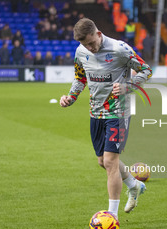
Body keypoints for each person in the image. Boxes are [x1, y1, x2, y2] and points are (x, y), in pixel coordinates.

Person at [59, 18, 152, 217]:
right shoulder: (80, 52)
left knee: (110, 162)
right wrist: (70, 97)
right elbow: (80, 78)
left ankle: (111, 216)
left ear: (99, 34)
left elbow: (146, 70)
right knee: (103, 161)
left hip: (118, 112)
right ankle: (134, 184)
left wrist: (128, 86)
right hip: (96, 113)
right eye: (85, 45)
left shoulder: (120, 49)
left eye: (92, 43)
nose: (90, 48)